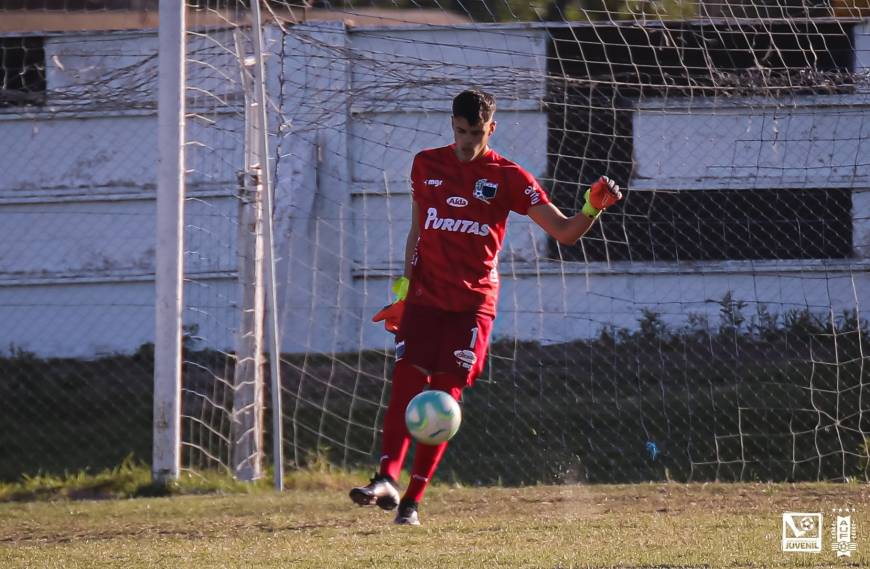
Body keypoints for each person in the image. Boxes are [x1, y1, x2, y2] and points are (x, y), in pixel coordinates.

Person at [349, 89, 623, 525]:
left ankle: (413, 502)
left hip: (471, 308)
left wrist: (592, 207)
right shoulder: (426, 164)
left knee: (442, 399)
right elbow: (418, 230)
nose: (466, 142)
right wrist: (404, 291)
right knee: (404, 385)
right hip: (424, 300)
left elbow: (565, 232)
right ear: (451, 125)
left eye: (475, 133)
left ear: (490, 129)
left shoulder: (509, 177)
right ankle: (385, 477)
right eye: (460, 131)